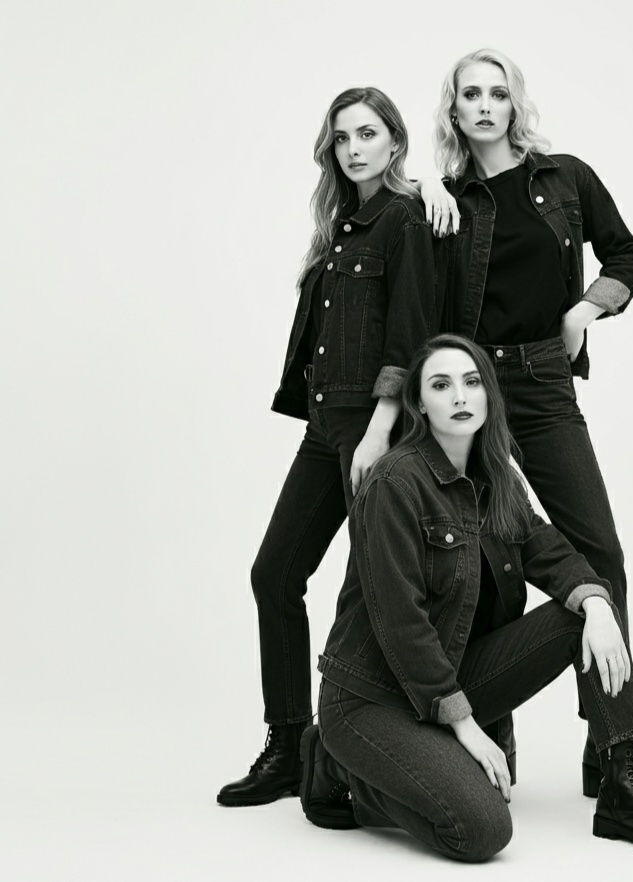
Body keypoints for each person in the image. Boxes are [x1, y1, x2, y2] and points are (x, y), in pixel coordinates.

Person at [300, 334, 633, 860]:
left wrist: (598, 605)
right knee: (482, 829)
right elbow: (402, 625)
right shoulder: (394, 483)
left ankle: (623, 785)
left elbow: (549, 552)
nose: (459, 397)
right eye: (440, 385)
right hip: (373, 697)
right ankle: (339, 767)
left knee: (586, 614)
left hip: (449, 678)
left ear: (489, 394)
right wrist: (464, 726)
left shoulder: (497, 479)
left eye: (471, 382)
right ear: (419, 403)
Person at [420, 49, 633, 794]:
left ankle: (614, 752)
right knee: (485, 563)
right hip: (473, 389)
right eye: (470, 95)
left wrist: (584, 311)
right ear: (454, 110)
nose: (485, 105)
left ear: (514, 104)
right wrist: (426, 188)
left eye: (497, 93)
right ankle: (491, 737)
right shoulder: (447, 201)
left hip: (545, 382)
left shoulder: (565, 178)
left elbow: (626, 255)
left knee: (599, 554)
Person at [217, 88, 437, 806]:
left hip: (374, 426)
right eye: (342, 137)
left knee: (371, 596)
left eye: (367, 134)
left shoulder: (403, 218)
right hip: (324, 426)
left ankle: (356, 758)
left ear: (395, 141)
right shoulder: (341, 224)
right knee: (275, 574)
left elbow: (410, 332)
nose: (353, 148)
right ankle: (288, 744)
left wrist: (379, 430)